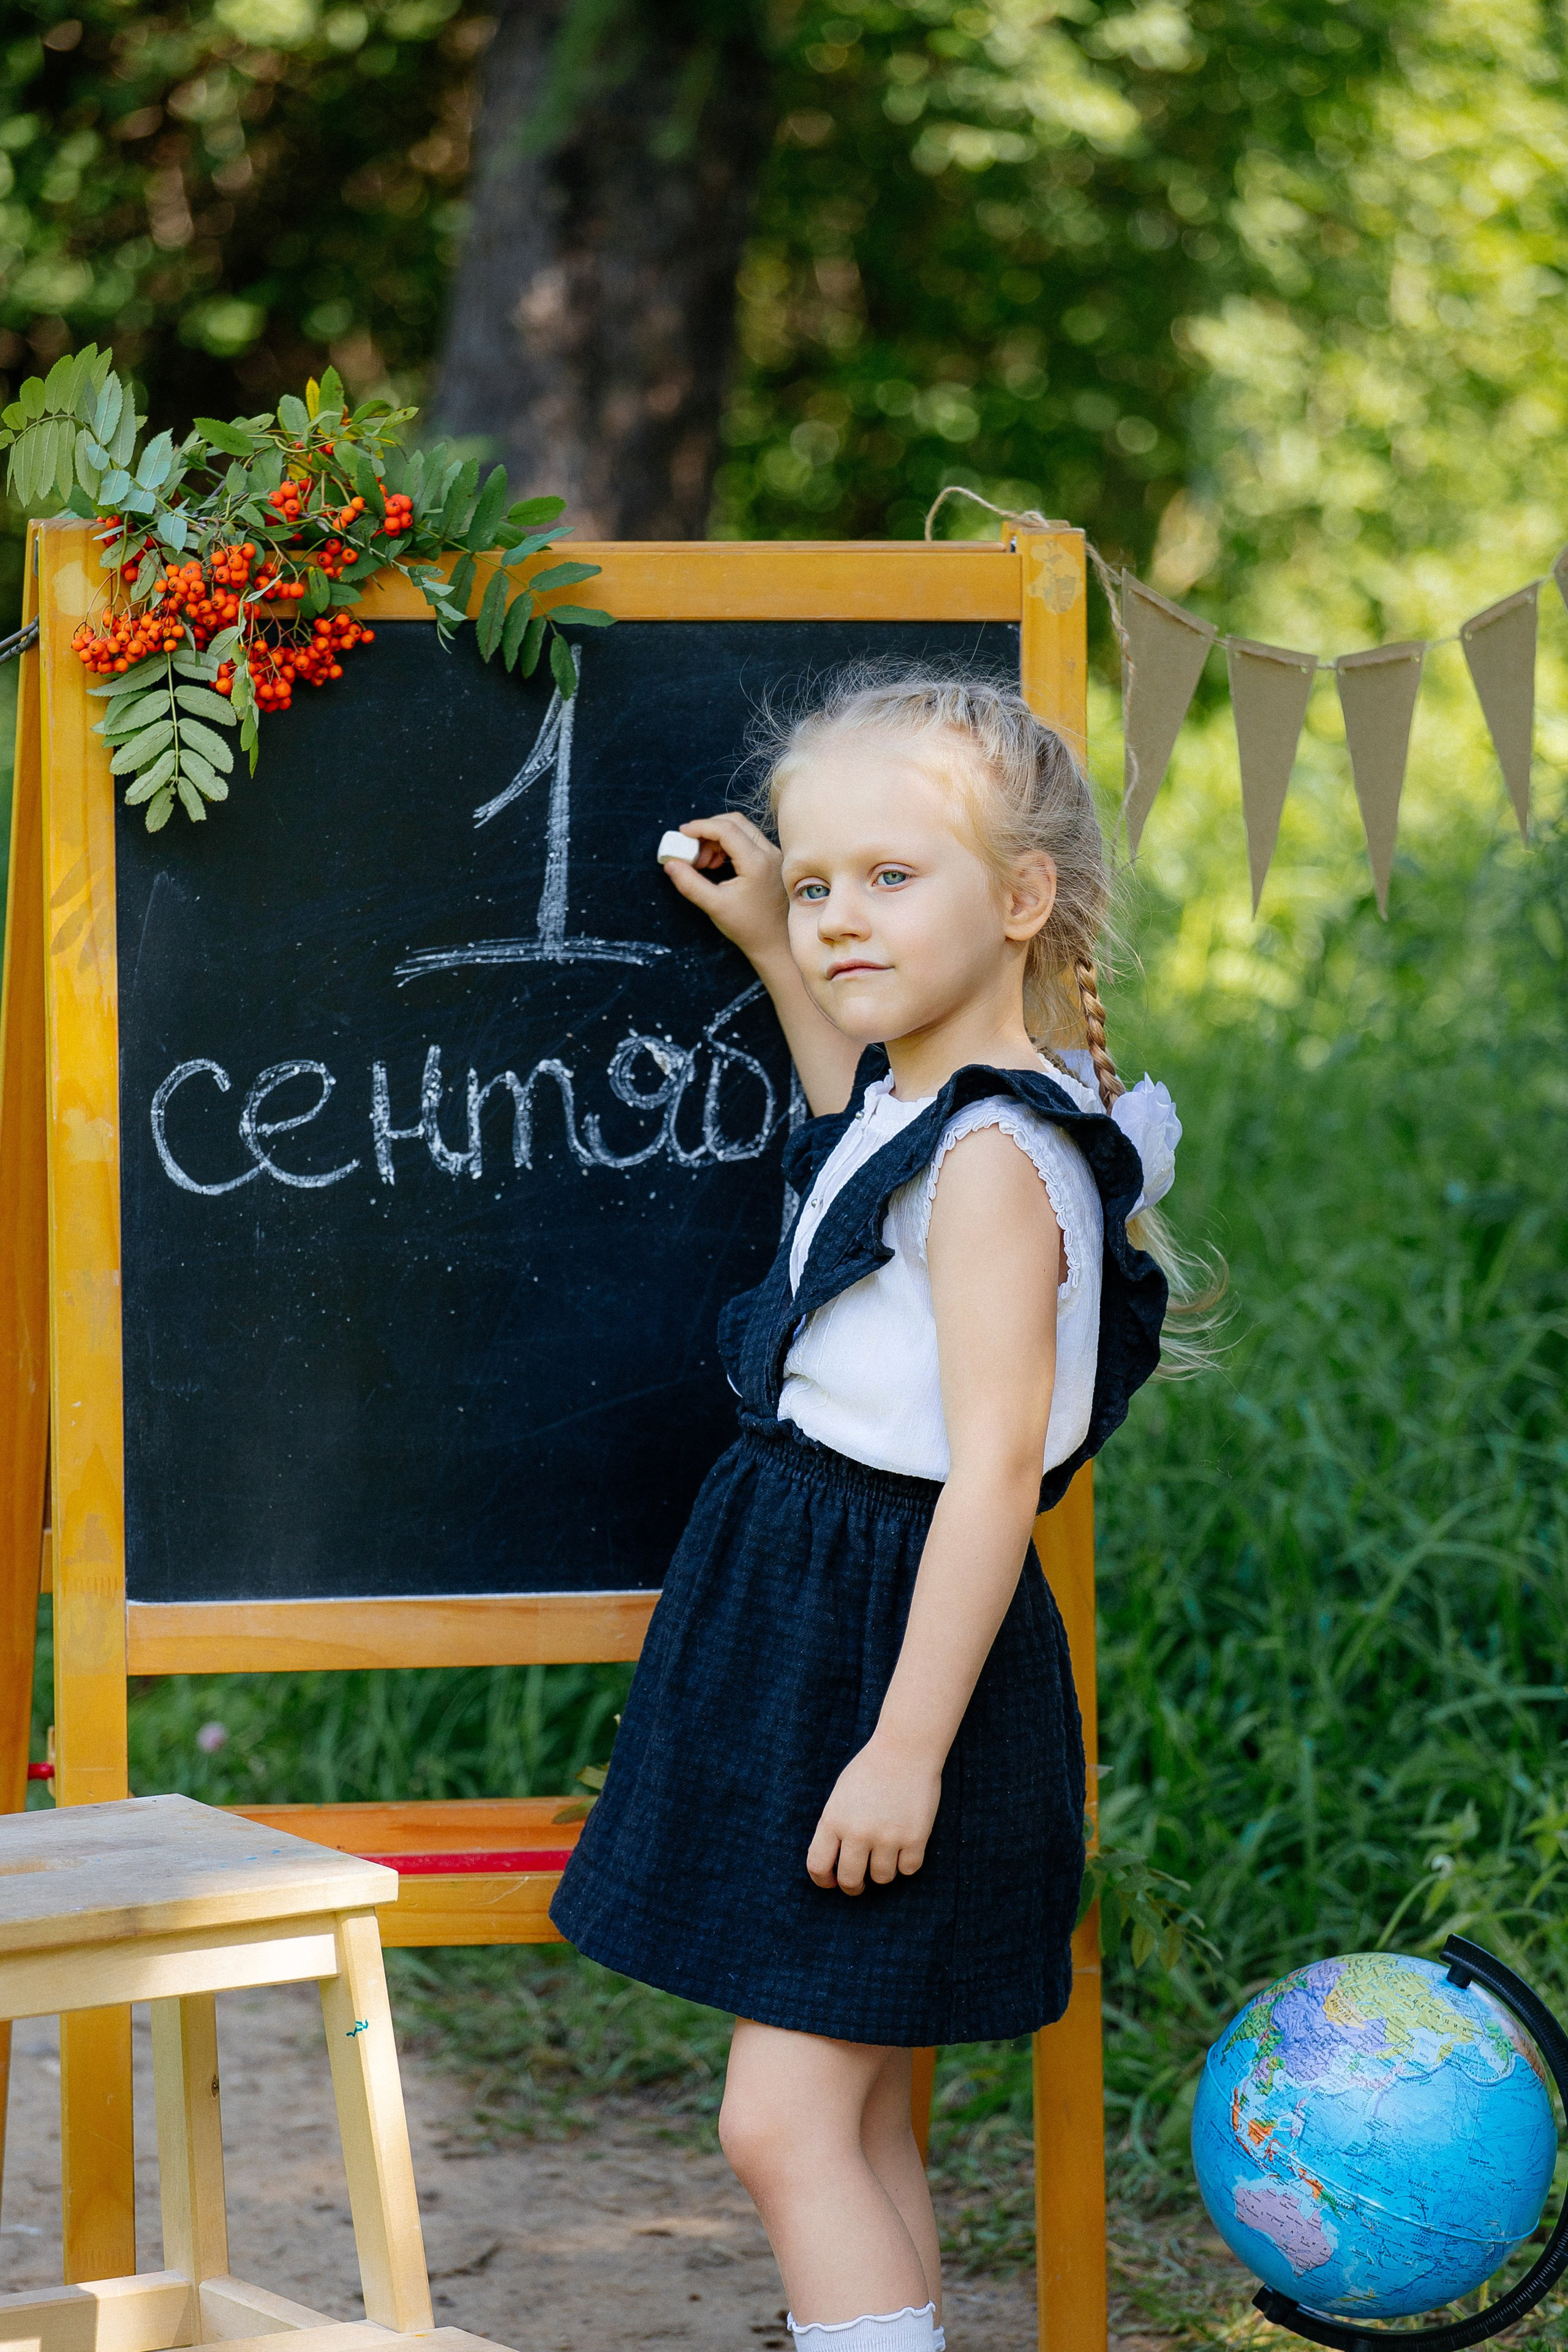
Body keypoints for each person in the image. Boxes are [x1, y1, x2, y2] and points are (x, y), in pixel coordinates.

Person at [551, 669, 1198, 2352]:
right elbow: (851, 1131)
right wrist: (775, 937)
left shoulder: (999, 1162)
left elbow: (993, 1472)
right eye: (823, 877)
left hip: (896, 1643)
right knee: (859, 2119)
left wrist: (906, 1747)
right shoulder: (941, 1101)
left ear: (1024, 896)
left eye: (889, 880)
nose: (844, 917)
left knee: (778, 2124)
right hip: (820, 1615)